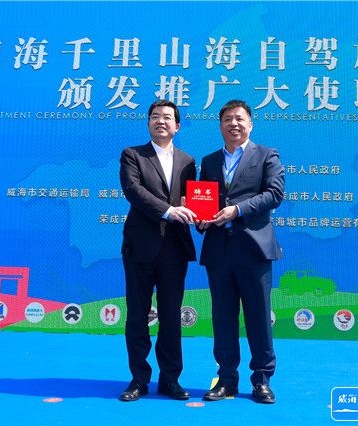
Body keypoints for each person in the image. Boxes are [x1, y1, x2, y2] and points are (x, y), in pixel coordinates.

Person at [197, 100, 284, 404]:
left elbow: (274, 194)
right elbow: (204, 202)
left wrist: (237, 210)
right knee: (223, 317)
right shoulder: (209, 161)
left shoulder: (266, 155)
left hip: (254, 248)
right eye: (227, 119)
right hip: (219, 250)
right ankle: (226, 379)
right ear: (220, 125)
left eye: (239, 119)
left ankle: (261, 379)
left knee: (258, 316)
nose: (233, 124)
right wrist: (201, 219)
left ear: (250, 124)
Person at [118, 100, 197, 402]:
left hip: (174, 248)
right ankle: (139, 379)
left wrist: (201, 215)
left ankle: (170, 379)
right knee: (138, 315)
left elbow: (192, 200)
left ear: (177, 126)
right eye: (155, 117)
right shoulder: (133, 155)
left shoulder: (188, 161)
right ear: (148, 123)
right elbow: (133, 191)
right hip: (140, 246)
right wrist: (168, 210)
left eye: (167, 117)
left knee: (171, 317)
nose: (160, 121)